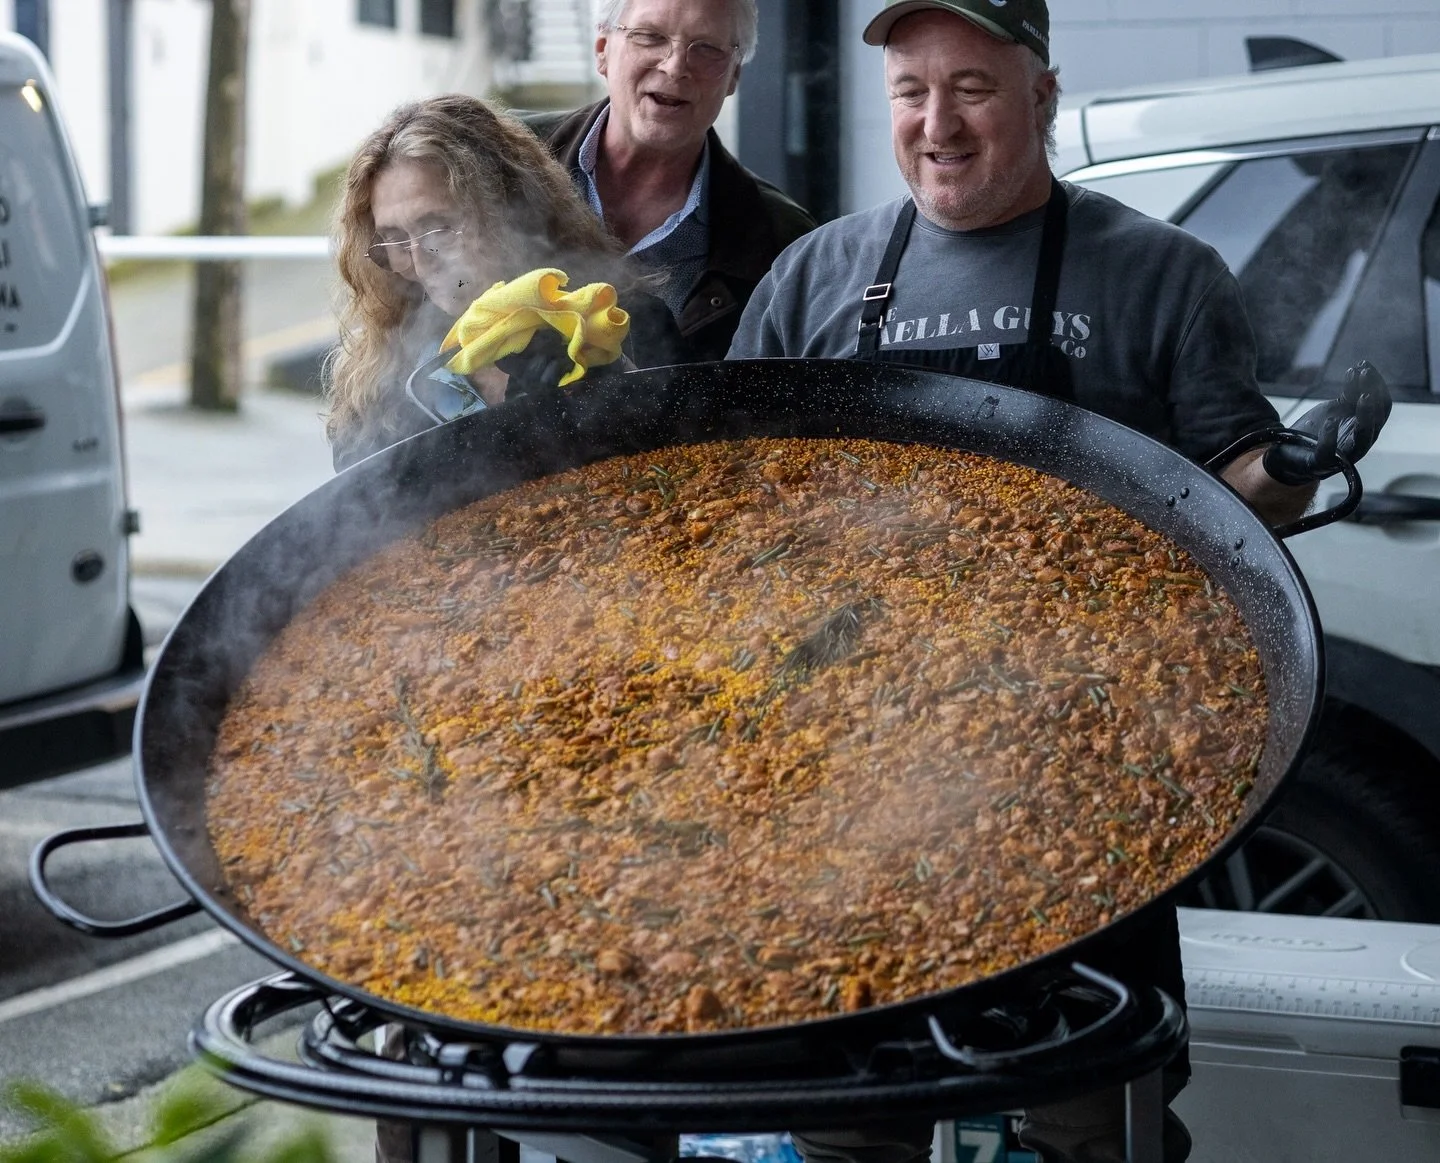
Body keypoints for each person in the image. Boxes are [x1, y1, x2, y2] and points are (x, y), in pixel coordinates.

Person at [727, 1, 1391, 1160]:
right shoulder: (813, 274)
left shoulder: (1163, 270)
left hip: (1095, 773)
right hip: (852, 789)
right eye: (911, 91)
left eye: (973, 88)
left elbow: (1226, 488)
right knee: (847, 1121)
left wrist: (1293, 462)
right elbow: (734, 501)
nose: (938, 122)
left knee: (1096, 1112)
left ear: (1042, 93)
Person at [324, 93, 687, 471]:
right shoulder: (378, 379)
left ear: (511, 213)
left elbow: (690, 472)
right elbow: (365, 517)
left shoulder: (626, 322)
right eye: (396, 239)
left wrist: (609, 384)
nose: (419, 262)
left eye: (439, 229)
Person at [520, 0, 817, 364]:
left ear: (735, 75)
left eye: (707, 48)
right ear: (602, 51)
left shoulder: (784, 242)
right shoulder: (496, 157)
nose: (676, 67)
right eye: (649, 37)